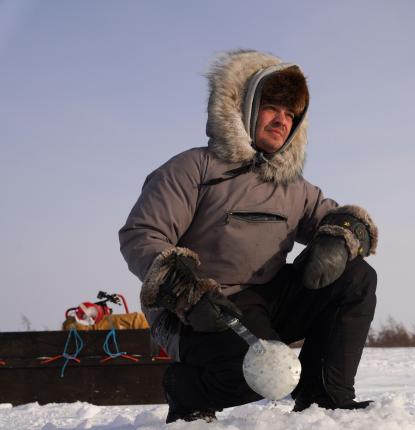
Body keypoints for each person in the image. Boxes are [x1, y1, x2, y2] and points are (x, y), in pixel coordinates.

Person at [119, 50, 378, 423]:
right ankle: (185, 389)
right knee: (263, 375)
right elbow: (142, 234)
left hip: (263, 299)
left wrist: (340, 238)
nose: (282, 121)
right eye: (273, 108)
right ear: (245, 107)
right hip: (198, 308)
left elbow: (343, 221)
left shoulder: (295, 188)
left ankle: (326, 398)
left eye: (291, 115)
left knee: (356, 277)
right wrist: (186, 291)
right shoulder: (193, 168)